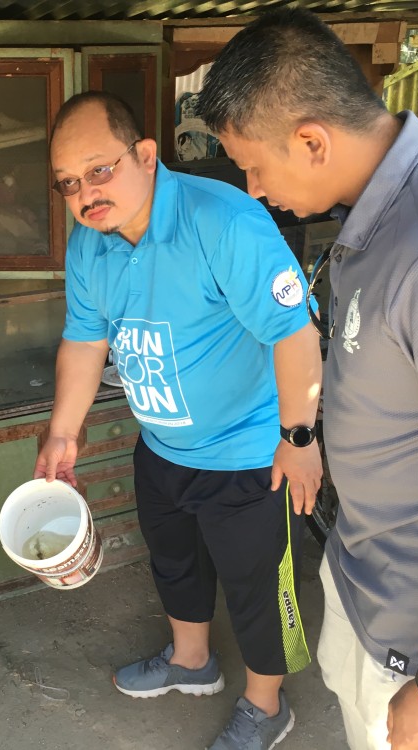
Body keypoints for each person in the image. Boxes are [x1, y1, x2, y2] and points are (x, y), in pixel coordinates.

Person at [197, 9, 418, 750]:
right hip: (369, 575)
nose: (254, 189)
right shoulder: (378, 210)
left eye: (254, 166)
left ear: (311, 140)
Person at [35, 90, 323, 750]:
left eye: (99, 170)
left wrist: (299, 438)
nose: (85, 194)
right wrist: (62, 431)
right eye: (68, 184)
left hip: (251, 456)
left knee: (258, 588)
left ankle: (266, 705)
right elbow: (84, 340)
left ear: (144, 155)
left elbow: (293, 332)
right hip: (162, 448)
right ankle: (190, 662)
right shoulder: (91, 246)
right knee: (175, 565)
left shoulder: (221, 221)